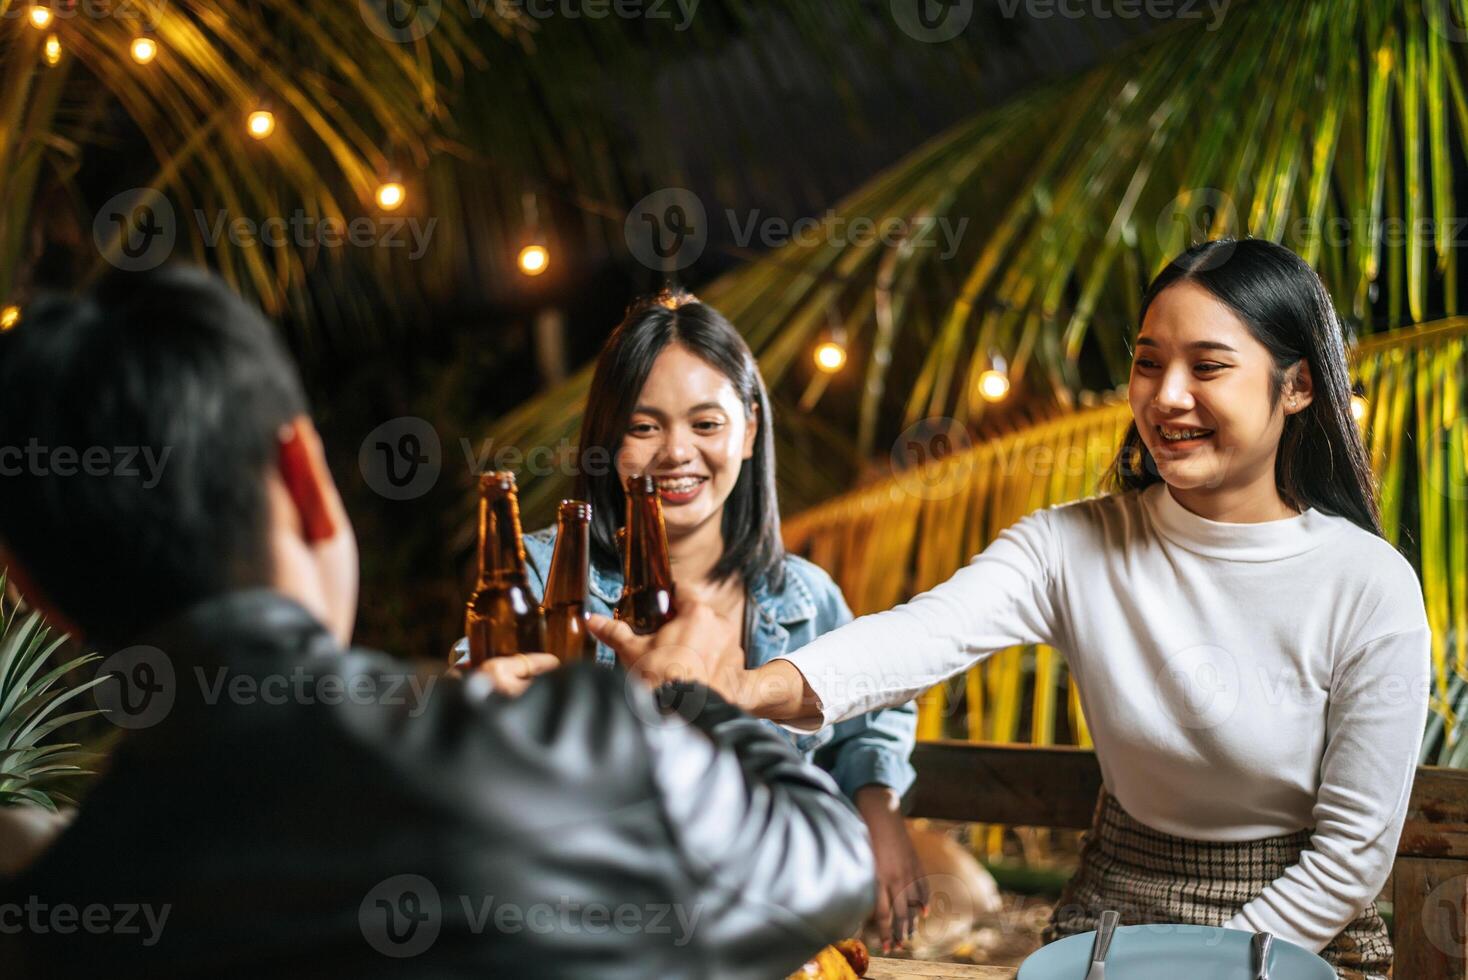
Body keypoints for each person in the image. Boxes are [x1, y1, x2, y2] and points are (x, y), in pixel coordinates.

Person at [0, 266, 874, 979]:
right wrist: (692, 697)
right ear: (304, 477)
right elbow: (827, 864)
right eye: (645, 425)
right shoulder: (545, 758)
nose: (675, 449)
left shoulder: (57, 913)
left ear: (28, 586)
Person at [597, 239, 1432, 980]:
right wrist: (745, 687)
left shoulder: (1368, 584)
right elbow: (916, 638)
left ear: (1296, 387)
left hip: (1302, 932)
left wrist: (1211, 966)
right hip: (1114, 913)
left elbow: (1351, 859)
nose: (1167, 396)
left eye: (1207, 367)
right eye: (1148, 362)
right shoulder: (1073, 544)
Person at [455, 289, 924, 950]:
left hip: (767, 924)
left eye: (706, 424)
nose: (676, 452)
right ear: (607, 439)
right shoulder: (540, 574)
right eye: (644, 427)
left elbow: (870, 714)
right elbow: (475, 696)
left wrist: (880, 809)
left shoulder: (804, 595)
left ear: (750, 428)